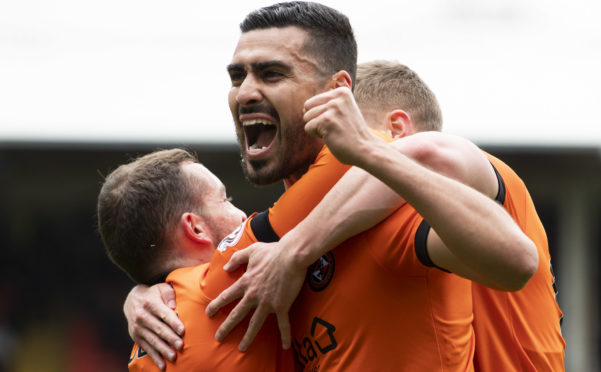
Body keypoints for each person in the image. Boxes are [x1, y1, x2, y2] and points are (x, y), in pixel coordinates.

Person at [123, 2, 539, 370]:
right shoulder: (276, 247)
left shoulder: (383, 206)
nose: (246, 92)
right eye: (237, 77)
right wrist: (151, 288)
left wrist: (368, 155)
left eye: (272, 74)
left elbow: (516, 260)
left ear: (338, 93)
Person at [96, 148, 294, 371]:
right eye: (224, 199)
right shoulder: (225, 278)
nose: (242, 214)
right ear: (196, 228)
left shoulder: (140, 357)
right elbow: (330, 176)